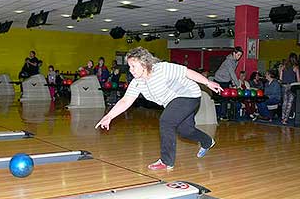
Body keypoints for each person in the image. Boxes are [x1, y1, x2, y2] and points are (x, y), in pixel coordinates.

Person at [95, 47, 223, 171]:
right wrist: (109, 116)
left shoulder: (162, 69)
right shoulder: (137, 82)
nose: (131, 70)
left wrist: (207, 82)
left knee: (166, 121)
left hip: (188, 95)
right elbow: (125, 100)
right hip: (173, 102)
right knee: (185, 131)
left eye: (133, 66)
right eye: (129, 66)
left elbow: (187, 72)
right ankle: (207, 141)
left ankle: (166, 161)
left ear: (144, 64)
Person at [214, 47, 243, 120]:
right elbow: (232, 73)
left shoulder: (235, 61)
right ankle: (222, 116)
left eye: (240, 55)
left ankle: (224, 115)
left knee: (226, 98)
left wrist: (233, 82)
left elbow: (230, 74)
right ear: (234, 53)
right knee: (224, 98)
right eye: (238, 55)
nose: (239, 57)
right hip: (219, 80)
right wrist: (238, 85)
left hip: (226, 81)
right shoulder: (228, 61)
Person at [279, 52, 300, 125]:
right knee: (289, 103)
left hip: (284, 86)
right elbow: (298, 80)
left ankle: (282, 117)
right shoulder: (295, 67)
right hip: (292, 86)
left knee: (284, 102)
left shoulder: (283, 67)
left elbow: (280, 78)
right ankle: (285, 119)